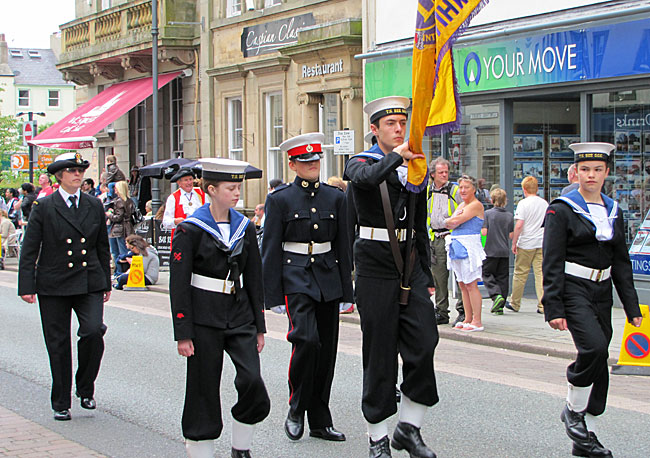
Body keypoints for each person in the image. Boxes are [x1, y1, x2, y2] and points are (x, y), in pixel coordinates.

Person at [344, 96, 438, 458]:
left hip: (409, 264)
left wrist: (426, 272)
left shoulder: (415, 167)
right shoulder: (360, 162)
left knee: (425, 341)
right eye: (390, 125)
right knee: (380, 352)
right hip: (374, 264)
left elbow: (419, 223)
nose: (399, 129)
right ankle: (377, 437)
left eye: (403, 123)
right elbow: (366, 178)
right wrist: (398, 155)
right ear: (374, 129)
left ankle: (409, 428)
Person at [543, 142, 642, 458]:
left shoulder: (614, 210)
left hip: (602, 291)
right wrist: (553, 305)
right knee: (594, 348)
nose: (591, 175)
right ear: (575, 172)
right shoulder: (561, 208)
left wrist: (632, 307)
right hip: (574, 288)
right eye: (585, 169)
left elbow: (622, 261)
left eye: (597, 170)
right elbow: (552, 259)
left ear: (606, 173)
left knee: (601, 362)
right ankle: (572, 409)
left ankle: (586, 439)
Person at [170, 158, 270, 458]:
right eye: (230, 187)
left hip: (239, 314)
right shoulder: (190, 229)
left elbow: (254, 277)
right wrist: (183, 332)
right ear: (211, 189)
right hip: (203, 316)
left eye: (238, 187)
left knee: (252, 380)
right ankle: (200, 449)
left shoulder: (244, 227)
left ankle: (241, 447)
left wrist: (259, 326)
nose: (237, 193)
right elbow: (179, 284)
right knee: (203, 387)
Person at [262, 132, 352, 444]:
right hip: (296, 276)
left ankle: (320, 419)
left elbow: (343, 246)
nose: (312, 165)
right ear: (293, 164)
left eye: (315, 160)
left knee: (326, 351)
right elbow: (270, 248)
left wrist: (347, 292)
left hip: (327, 276)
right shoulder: (280, 199)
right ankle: (296, 407)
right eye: (305, 161)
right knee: (307, 340)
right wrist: (270, 294)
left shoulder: (336, 198)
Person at [18, 152, 111, 421]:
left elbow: (102, 246)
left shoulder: (93, 205)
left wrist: (105, 280)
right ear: (60, 176)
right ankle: (61, 400)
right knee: (58, 343)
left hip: (88, 280)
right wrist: (27, 285)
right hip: (54, 282)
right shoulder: (44, 206)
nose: (78, 175)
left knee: (93, 331)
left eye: (80, 171)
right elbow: (30, 248)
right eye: (72, 171)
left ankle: (86, 387)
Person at [444, 175, 486, 331]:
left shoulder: (475, 205)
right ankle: (468, 317)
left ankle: (477, 320)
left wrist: (451, 219)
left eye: (466, 187)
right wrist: (451, 220)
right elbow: (450, 223)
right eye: (460, 187)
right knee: (462, 284)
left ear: (474, 189)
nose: (462, 190)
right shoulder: (461, 205)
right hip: (457, 245)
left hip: (469, 246)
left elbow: (453, 222)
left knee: (471, 283)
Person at [427, 157, 464, 326]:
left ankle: (463, 310)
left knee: (460, 276)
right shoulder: (427, 190)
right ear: (433, 174)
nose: (444, 175)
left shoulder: (455, 190)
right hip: (436, 239)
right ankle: (441, 312)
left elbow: (466, 209)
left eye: (446, 172)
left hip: (453, 237)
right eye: (440, 172)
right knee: (439, 278)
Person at [509, 176, 548, 314]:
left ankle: (515, 303)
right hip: (541, 241)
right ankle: (543, 305)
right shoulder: (544, 203)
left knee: (520, 273)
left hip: (526, 242)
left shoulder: (523, 204)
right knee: (541, 274)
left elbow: (519, 225)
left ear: (524, 189)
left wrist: (514, 241)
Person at [481, 188, 514, 315]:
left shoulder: (488, 214)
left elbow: (484, 232)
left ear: (492, 199)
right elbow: (511, 235)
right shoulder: (509, 215)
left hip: (490, 250)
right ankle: (500, 305)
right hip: (504, 251)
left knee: (487, 273)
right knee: (503, 277)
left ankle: (496, 296)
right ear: (505, 200)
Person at [162, 168, 206, 243]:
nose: (189, 182)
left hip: (200, 237)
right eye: (186, 180)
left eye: (190, 179)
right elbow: (165, 222)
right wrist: (175, 221)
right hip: (182, 238)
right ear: (179, 183)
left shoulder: (201, 194)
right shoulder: (173, 198)